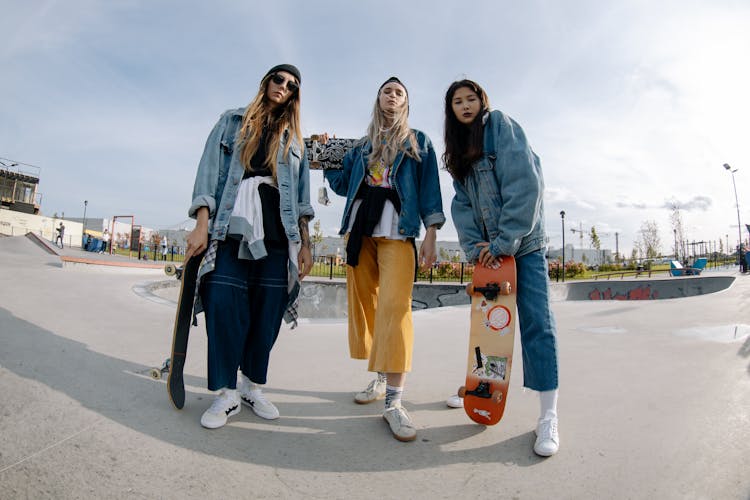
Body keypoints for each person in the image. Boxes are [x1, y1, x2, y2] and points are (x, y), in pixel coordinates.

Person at [184, 63, 314, 429]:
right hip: (231, 225)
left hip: (277, 230)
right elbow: (209, 172)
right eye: (279, 79)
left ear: (295, 95)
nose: (283, 87)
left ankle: (250, 385)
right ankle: (225, 393)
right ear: (266, 82)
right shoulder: (232, 121)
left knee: (268, 308)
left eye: (291, 85)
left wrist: (305, 244)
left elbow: (302, 199)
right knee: (222, 300)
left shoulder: (295, 140)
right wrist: (202, 223)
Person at [442, 79, 560, 457]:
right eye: (457, 102)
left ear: (482, 101)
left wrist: (504, 242)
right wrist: (475, 246)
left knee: (536, 324)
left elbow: (525, 183)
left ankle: (548, 415)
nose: (465, 105)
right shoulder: (459, 148)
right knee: (488, 332)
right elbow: (461, 203)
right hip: (491, 253)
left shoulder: (500, 126)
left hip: (523, 245)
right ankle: (482, 391)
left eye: (470, 99)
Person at [324, 76, 445, 442]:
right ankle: (379, 376)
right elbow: (344, 185)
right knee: (369, 304)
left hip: (399, 229)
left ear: (405, 102)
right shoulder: (362, 145)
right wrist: (329, 157)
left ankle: (394, 401)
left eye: (399, 92)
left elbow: (429, 189)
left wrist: (432, 233)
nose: (392, 96)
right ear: (378, 99)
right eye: (387, 91)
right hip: (360, 228)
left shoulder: (417, 140)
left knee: (396, 307)